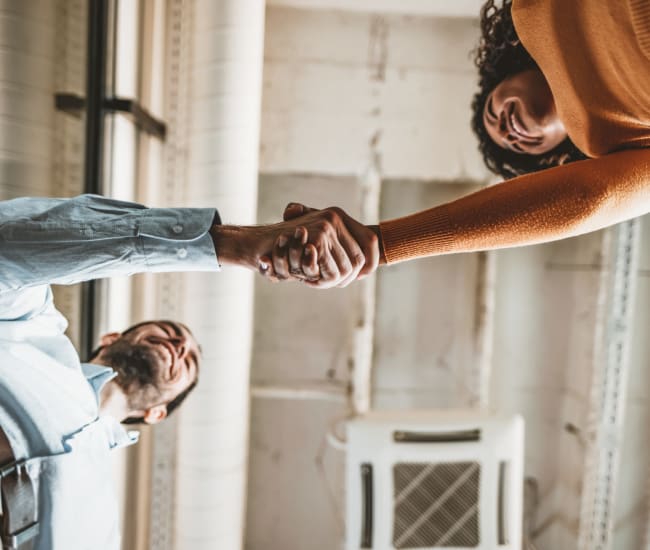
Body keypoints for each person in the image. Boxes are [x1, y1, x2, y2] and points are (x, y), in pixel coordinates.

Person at [0, 193, 368, 549]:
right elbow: (6, 246)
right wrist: (232, 245)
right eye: (171, 334)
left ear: (156, 413)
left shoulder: (102, 530)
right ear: (112, 337)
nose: (178, 347)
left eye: (186, 361)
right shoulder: (28, 328)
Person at [261, 0, 650, 287]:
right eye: (517, 145)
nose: (507, 130)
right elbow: (586, 198)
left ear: (500, 76)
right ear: (557, 155)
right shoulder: (615, 146)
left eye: (491, 114)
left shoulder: (532, 13)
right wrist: (382, 243)